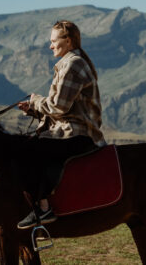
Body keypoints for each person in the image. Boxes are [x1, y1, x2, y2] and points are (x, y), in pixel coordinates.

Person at [17, 20, 106, 229]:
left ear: (68, 41)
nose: (50, 46)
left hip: (77, 134)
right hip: (69, 130)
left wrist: (36, 101)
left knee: (29, 150)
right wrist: (33, 109)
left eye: (53, 41)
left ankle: (43, 208)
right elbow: (62, 109)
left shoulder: (73, 64)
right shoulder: (71, 63)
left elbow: (59, 107)